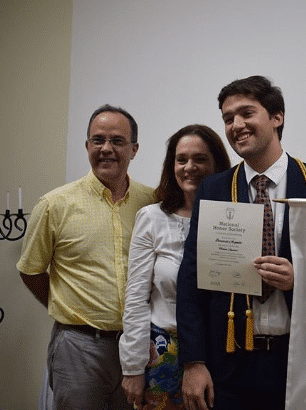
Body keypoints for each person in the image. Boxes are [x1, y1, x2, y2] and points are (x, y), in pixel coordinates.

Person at [176, 76, 306, 410]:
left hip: (303, 364)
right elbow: (190, 281)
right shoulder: (214, 190)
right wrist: (193, 362)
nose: (236, 125)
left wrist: (301, 280)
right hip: (230, 365)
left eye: (246, 113)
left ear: (277, 117)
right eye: (228, 119)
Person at [17, 104, 156, 410]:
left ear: (134, 149)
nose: (106, 148)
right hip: (78, 347)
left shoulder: (152, 203)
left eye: (117, 141)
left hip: (138, 346)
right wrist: (70, 308)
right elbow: (31, 271)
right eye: (98, 140)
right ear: (87, 146)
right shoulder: (55, 204)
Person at [119, 125, 231, 409]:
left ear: (217, 164)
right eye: (181, 160)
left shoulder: (236, 218)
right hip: (163, 355)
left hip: (223, 353)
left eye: (200, 159)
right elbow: (135, 298)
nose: (189, 167)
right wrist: (132, 367)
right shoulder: (152, 218)